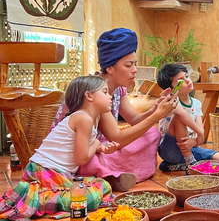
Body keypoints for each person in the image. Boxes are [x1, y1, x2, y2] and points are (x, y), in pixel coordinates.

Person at [51, 28, 178, 191]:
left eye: (135, 64)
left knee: (151, 134)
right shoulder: (96, 92)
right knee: (93, 160)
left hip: (100, 146)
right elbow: (117, 138)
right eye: (128, 65)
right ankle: (107, 174)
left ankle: (114, 173)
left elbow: (134, 119)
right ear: (110, 67)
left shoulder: (118, 88)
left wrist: (156, 108)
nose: (135, 70)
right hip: (79, 153)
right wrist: (156, 117)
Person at [0, 76, 117, 220]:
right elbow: (80, 159)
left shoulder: (91, 118)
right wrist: (97, 144)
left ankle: (40, 197)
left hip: (57, 173)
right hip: (44, 172)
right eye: (105, 92)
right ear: (89, 96)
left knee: (102, 186)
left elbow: (80, 148)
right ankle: (37, 201)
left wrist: (100, 149)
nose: (110, 96)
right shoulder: (83, 118)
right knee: (91, 196)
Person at [156, 64, 219, 173]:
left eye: (186, 76)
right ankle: (190, 163)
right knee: (179, 118)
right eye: (180, 81)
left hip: (189, 147)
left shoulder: (196, 104)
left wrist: (195, 139)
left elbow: (199, 138)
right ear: (171, 89)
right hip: (169, 150)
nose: (187, 81)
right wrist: (200, 132)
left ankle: (176, 166)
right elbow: (181, 114)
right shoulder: (170, 102)